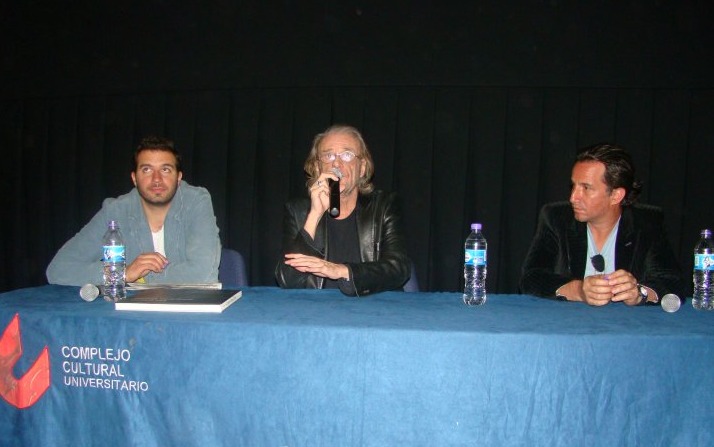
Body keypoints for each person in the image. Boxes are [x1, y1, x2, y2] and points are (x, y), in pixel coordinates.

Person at [520, 143, 685, 306]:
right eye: (573, 186)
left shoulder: (647, 222)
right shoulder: (556, 218)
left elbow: (673, 283)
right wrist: (579, 290)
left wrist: (639, 293)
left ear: (616, 195)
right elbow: (530, 278)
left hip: (628, 326)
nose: (573, 197)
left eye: (586, 188)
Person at [46, 136, 221, 286]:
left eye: (165, 169)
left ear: (179, 177)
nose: (157, 179)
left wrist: (139, 279)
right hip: (132, 314)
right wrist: (124, 273)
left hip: (189, 311)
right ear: (134, 178)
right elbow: (58, 269)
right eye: (147, 170)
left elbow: (202, 275)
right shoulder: (116, 211)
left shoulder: (197, 201)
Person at [275, 124, 411, 296]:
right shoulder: (298, 210)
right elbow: (288, 280)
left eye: (347, 155)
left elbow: (399, 268)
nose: (336, 163)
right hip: (316, 313)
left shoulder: (384, 205)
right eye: (328, 155)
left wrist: (342, 271)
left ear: (362, 168)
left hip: (372, 307)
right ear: (317, 168)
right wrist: (314, 214)